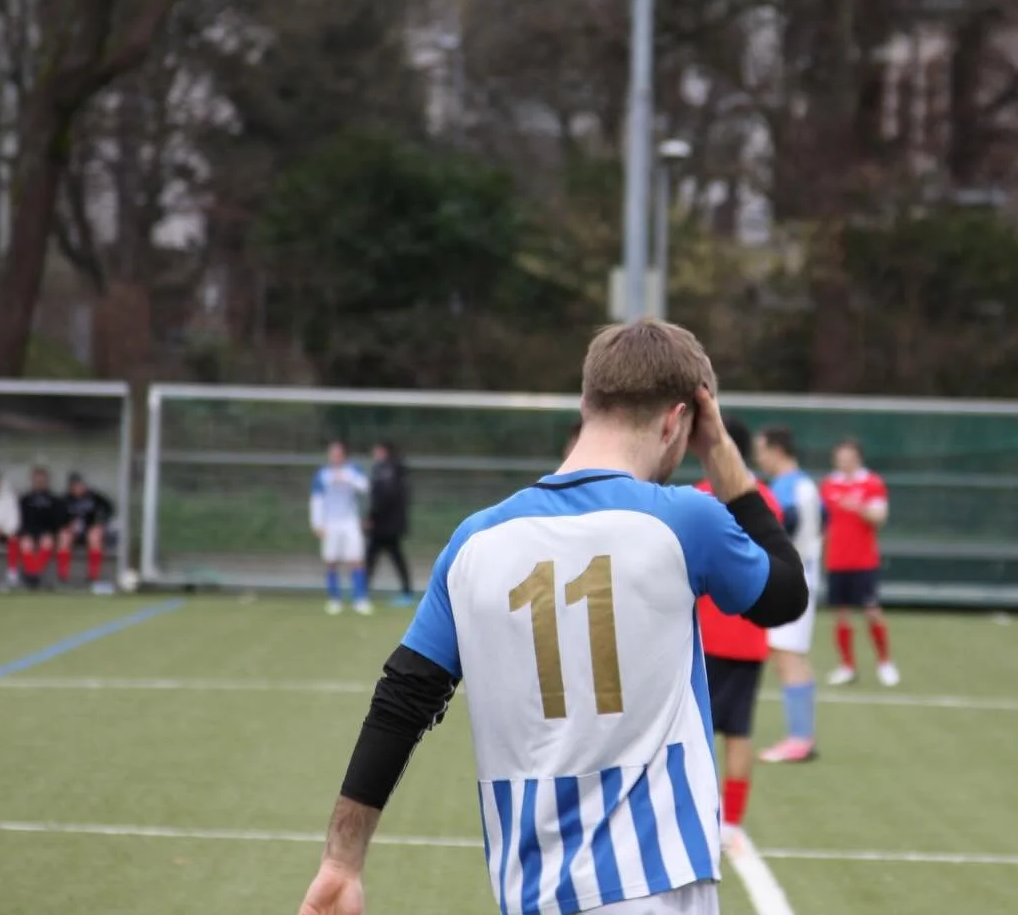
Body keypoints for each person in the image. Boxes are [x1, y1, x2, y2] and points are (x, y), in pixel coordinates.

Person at [295, 319, 808, 915]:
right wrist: (719, 452)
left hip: (531, 893)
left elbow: (401, 700)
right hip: (652, 885)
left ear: (586, 404)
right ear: (677, 422)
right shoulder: (683, 519)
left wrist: (341, 861)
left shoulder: (473, 542)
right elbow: (786, 595)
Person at [694, 415, 784, 845]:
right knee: (739, 731)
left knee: (695, 732)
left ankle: (700, 814)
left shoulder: (698, 498)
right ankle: (731, 821)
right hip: (750, 632)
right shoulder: (765, 500)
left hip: (703, 634)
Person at [753, 425, 822, 764]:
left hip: (793, 578)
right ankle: (803, 736)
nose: (758, 457)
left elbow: (783, 525)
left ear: (777, 450)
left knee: (787, 655)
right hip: (806, 573)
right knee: (792, 654)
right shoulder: (806, 484)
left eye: (761, 450)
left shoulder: (785, 489)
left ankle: (799, 739)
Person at [821, 440, 899, 687]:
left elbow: (880, 517)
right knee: (841, 615)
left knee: (872, 612)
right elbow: (822, 523)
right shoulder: (828, 484)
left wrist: (859, 507)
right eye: (840, 457)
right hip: (836, 561)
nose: (844, 461)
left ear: (858, 458)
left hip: (864, 561)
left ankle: (885, 663)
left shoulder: (872, 483)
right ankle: (847, 667)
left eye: (848, 457)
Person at [312, 440, 371, 616]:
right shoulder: (322, 474)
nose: (335, 457)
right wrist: (317, 523)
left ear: (344, 456)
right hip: (331, 522)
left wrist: (347, 478)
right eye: (332, 454)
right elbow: (317, 500)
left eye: (338, 454)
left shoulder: (353, 471)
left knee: (356, 559)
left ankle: (360, 599)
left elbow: (365, 487)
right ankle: (334, 599)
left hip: (349, 522)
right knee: (331, 561)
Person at [366, 440, 414, 607]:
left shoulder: (386, 471)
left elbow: (383, 498)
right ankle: (406, 592)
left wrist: (372, 516)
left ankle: (362, 590)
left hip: (384, 525)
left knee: (373, 556)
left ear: (383, 451)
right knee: (391, 557)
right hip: (392, 524)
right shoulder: (396, 470)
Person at [59, 473, 115, 589]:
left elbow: (109, 509)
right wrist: (67, 525)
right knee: (64, 536)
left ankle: (93, 576)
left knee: (94, 536)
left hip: (90, 530)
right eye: (74, 486)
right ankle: (63, 576)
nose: (78, 488)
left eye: (79, 485)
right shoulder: (65, 500)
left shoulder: (94, 497)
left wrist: (99, 523)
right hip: (74, 533)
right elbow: (58, 518)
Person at [18, 467, 64, 588]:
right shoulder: (25, 499)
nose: (39, 483)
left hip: (47, 533)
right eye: (37, 480)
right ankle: (33, 574)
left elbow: (58, 521)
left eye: (42, 480)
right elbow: (21, 520)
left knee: (47, 542)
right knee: (26, 544)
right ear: (32, 481)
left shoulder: (54, 500)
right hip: (29, 532)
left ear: (47, 481)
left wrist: (51, 533)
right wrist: (25, 533)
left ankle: (33, 574)